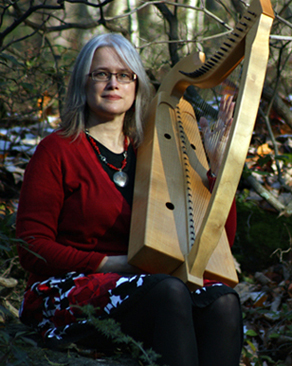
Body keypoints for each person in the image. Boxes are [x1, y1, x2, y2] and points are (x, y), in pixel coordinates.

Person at [16, 33, 242, 366]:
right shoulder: (58, 150)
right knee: (169, 291)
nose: (113, 83)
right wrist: (109, 263)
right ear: (83, 82)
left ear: (136, 86)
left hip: (144, 287)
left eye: (124, 75)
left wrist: (217, 172)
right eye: (101, 74)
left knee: (222, 301)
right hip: (66, 292)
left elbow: (218, 245)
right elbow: (32, 246)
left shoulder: (153, 154)